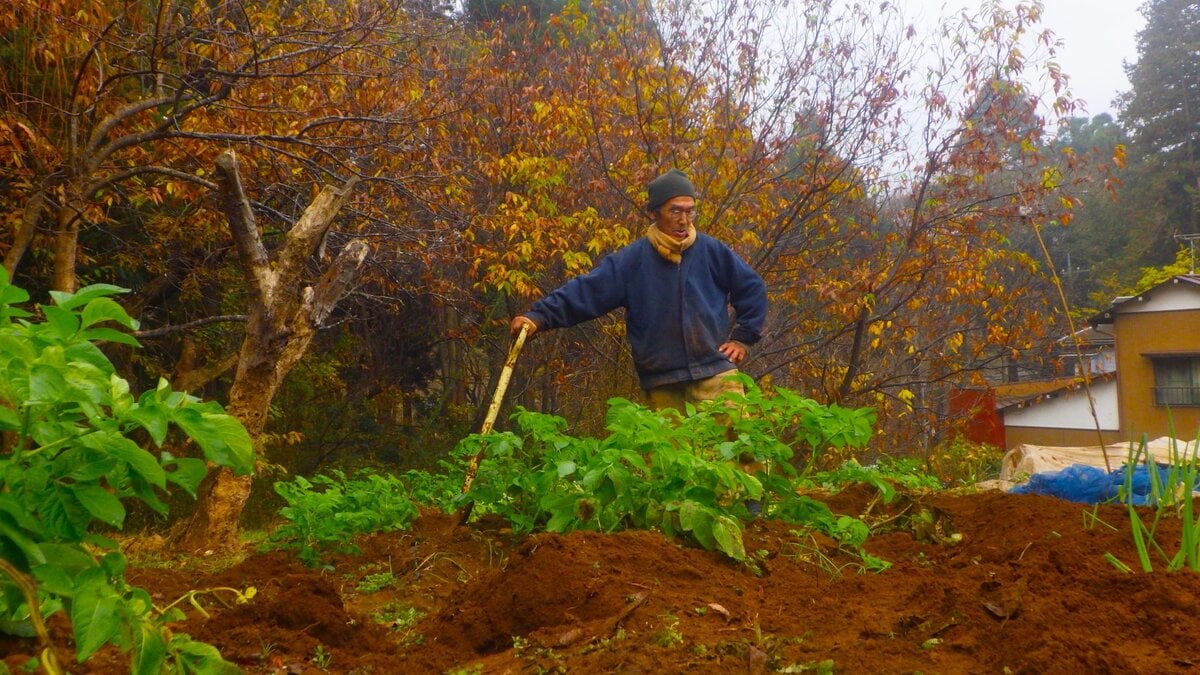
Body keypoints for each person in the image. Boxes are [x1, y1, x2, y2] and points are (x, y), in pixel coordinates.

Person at [509, 168, 767, 414]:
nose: (684, 220)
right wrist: (538, 318)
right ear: (654, 212)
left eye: (690, 212)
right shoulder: (632, 260)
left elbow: (752, 287)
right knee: (670, 460)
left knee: (739, 457)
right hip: (662, 383)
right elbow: (587, 292)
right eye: (675, 211)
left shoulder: (711, 251)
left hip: (716, 375)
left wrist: (742, 339)